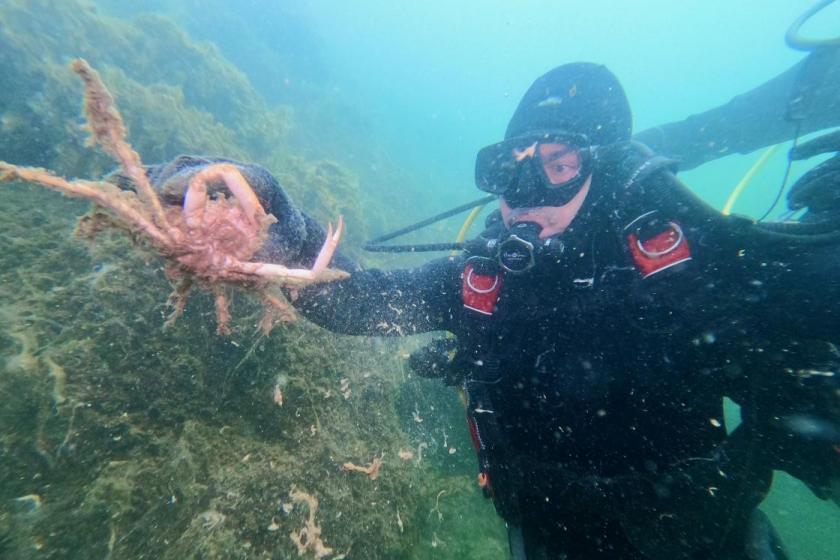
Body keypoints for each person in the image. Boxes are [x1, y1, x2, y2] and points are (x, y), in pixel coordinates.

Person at [145, 63, 840, 559]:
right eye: (510, 164)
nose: (523, 188)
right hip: (546, 538)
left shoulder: (683, 269)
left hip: (707, 546)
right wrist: (261, 206)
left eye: (559, 162)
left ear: (606, 166)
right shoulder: (486, 280)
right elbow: (358, 299)